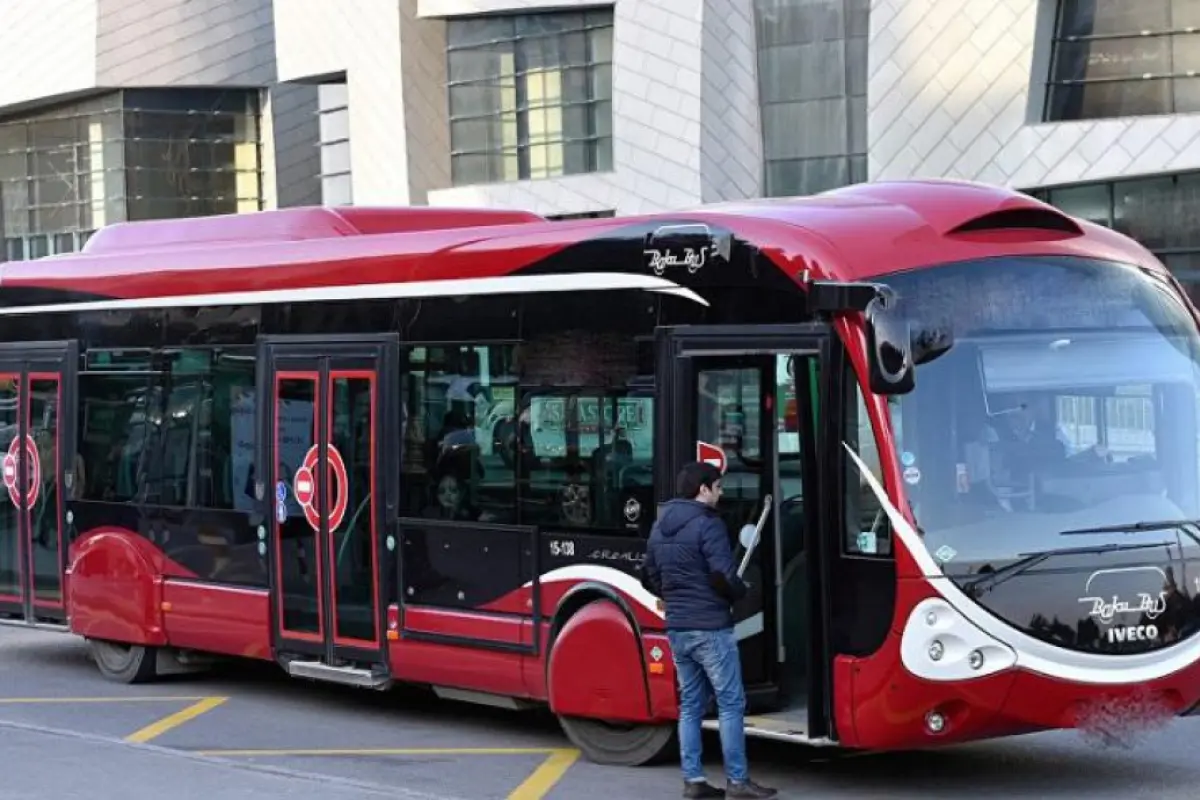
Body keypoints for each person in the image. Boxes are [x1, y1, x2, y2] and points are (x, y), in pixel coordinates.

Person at [641, 462, 777, 799]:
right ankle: (737, 781)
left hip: (678, 626)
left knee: (690, 704)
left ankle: (694, 781)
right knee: (731, 702)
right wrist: (740, 591)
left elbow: (649, 575)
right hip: (710, 626)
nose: (720, 493)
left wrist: (673, 596)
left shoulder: (661, 526)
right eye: (717, 487)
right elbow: (722, 576)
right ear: (703, 489)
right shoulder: (708, 524)